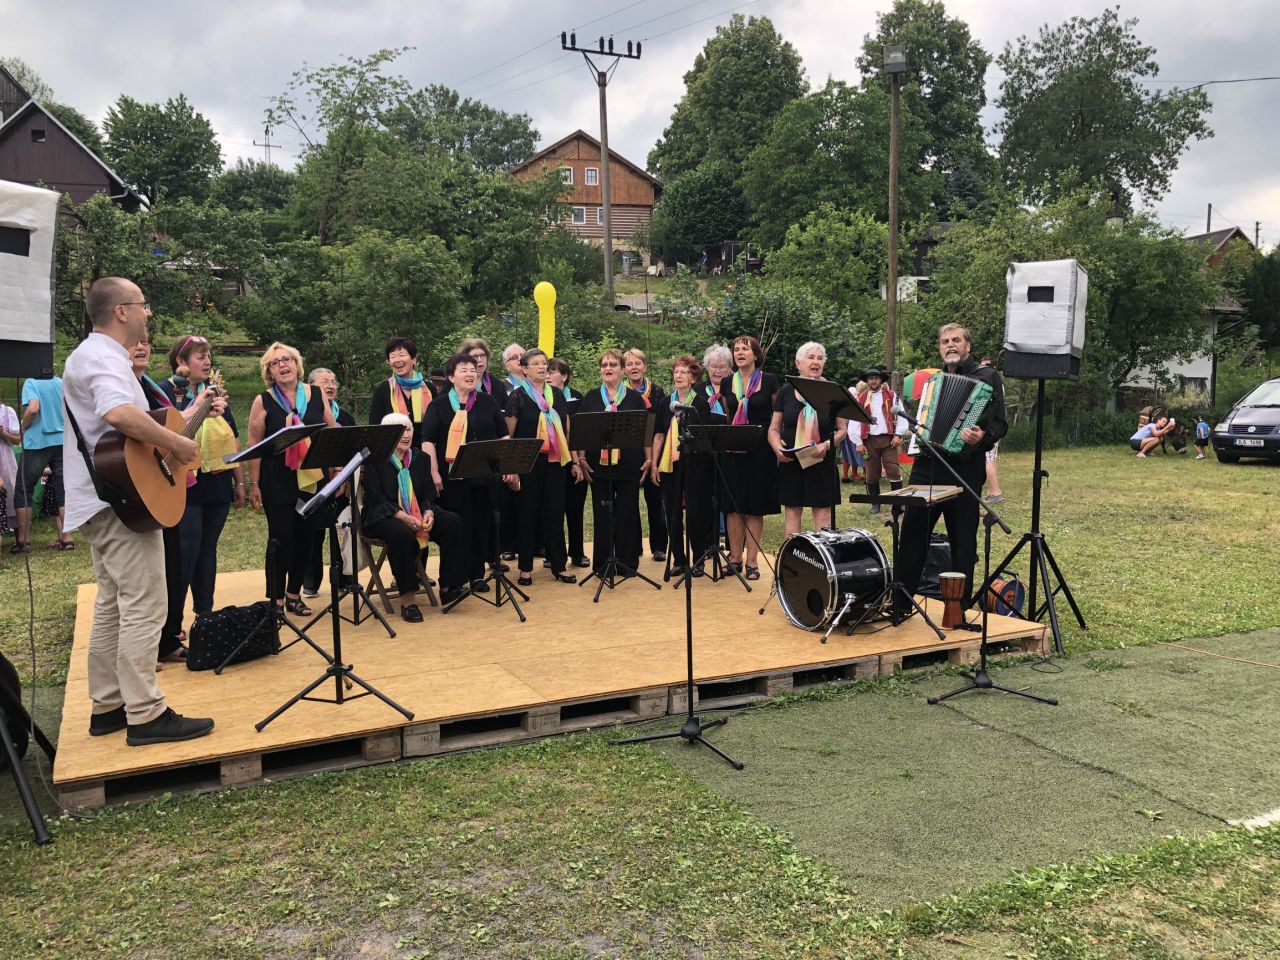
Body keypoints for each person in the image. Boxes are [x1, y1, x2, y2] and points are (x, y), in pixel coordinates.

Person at [61, 277, 213, 745]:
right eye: (142, 305)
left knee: (113, 604)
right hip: (121, 501)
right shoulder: (104, 356)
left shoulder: (92, 355)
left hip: (108, 498)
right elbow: (119, 414)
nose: (148, 313)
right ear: (121, 311)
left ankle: (108, 705)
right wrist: (176, 444)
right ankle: (146, 713)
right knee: (145, 604)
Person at [896, 324, 1008, 607]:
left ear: (968, 345)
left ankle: (958, 609)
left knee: (962, 540)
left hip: (964, 468)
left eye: (956, 340)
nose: (950, 345)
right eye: (945, 341)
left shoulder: (987, 376)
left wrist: (983, 436)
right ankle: (901, 602)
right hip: (928, 465)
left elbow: (1000, 423)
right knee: (912, 534)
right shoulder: (934, 381)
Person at [246, 342, 337, 615]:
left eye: (287, 359)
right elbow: (254, 443)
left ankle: (294, 594)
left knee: (306, 537)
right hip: (277, 479)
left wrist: (336, 471)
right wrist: (253, 484)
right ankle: (276, 599)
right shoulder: (263, 400)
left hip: (313, 477)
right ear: (269, 371)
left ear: (297, 364)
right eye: (275, 363)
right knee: (281, 538)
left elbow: (331, 430)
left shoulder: (316, 393)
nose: (282, 365)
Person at [421, 352, 511, 592]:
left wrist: (508, 466)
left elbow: (503, 435)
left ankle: (476, 575)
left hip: (483, 477)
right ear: (451, 377)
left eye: (472, 370)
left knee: (481, 526)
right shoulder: (439, 405)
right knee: (458, 527)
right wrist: (433, 472)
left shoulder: (487, 402)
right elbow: (428, 440)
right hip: (451, 479)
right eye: (463, 370)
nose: (470, 374)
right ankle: (455, 580)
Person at [362, 413, 467, 617]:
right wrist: (403, 516)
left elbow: (428, 493)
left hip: (417, 512)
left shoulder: (421, 458)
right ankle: (408, 599)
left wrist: (428, 512)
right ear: (387, 434)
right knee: (401, 533)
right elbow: (375, 498)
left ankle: (449, 588)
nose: (406, 434)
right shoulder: (375, 460)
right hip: (382, 515)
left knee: (452, 522)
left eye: (408, 429)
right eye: (399, 430)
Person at [573, 349, 648, 576]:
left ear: (622, 370)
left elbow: (645, 433)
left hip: (629, 465)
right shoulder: (591, 397)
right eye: (604, 365)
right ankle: (603, 563)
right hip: (599, 467)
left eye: (613, 364)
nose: (608, 368)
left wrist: (649, 459)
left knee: (627, 513)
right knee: (602, 514)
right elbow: (581, 433)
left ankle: (627, 563)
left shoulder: (635, 398)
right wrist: (581, 459)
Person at [505, 348, 576, 586]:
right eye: (535, 363)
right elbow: (509, 435)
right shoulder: (517, 397)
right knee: (527, 514)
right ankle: (525, 568)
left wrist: (574, 460)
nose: (542, 367)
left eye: (544, 363)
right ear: (524, 369)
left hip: (555, 461)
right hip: (527, 463)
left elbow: (567, 429)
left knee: (555, 514)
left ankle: (559, 565)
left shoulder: (557, 394)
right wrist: (511, 467)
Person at [769, 342, 847, 536]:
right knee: (792, 512)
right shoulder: (786, 392)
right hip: (792, 460)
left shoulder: (832, 391)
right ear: (798, 363)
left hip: (821, 461)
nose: (816, 362)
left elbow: (842, 430)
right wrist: (777, 448)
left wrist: (826, 445)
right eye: (811, 357)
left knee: (823, 512)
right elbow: (774, 428)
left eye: (820, 359)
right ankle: (793, 553)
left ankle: (821, 555)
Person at [651, 355, 719, 575]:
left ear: (693, 378)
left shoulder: (700, 403)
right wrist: (654, 464)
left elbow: (704, 436)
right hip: (670, 464)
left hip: (695, 464)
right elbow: (659, 435)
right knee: (672, 512)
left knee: (695, 512)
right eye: (676, 371)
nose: (678, 375)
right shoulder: (665, 403)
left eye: (684, 372)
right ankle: (679, 559)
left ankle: (698, 558)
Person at [723, 335, 780, 580]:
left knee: (755, 507)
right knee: (733, 507)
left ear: (755, 355)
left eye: (745, 349)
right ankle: (735, 558)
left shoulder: (769, 381)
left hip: (761, 451)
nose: (739, 352)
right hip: (734, 451)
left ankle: (753, 562)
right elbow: (728, 414)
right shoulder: (727, 382)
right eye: (736, 349)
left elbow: (777, 416)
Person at [298, 368, 352, 598]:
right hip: (314, 480)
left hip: (341, 482)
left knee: (342, 529)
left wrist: (344, 477)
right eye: (324, 382)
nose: (330, 386)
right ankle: (310, 581)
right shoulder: (304, 414)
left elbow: (351, 449)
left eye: (333, 382)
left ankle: (345, 578)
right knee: (314, 532)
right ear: (311, 387)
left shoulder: (345, 417)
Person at [14, 372, 70, 552]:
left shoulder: (31, 382)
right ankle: (67, 538)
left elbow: (33, 409)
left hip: (37, 442)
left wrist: (23, 427)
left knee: (24, 489)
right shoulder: (61, 382)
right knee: (63, 490)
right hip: (62, 441)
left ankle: (23, 541)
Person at [623, 348, 668, 561]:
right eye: (629, 364)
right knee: (629, 501)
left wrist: (655, 459)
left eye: (638, 363)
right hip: (629, 453)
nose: (634, 367)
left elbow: (661, 427)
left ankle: (659, 546)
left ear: (645, 366)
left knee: (656, 500)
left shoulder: (657, 392)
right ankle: (633, 545)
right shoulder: (619, 392)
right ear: (624, 369)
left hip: (655, 450)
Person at [547, 356, 590, 568]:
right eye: (545, 371)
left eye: (552, 371)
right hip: (552, 461)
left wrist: (580, 460)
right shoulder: (540, 398)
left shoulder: (576, 398)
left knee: (575, 508)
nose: (547, 375)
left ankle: (577, 552)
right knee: (552, 510)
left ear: (564, 376)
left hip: (574, 459)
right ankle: (552, 554)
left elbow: (580, 432)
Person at [855, 366, 907, 515]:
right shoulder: (861, 398)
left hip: (888, 440)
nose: (873, 381)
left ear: (881, 380)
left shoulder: (891, 395)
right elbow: (855, 421)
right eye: (871, 378)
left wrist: (898, 435)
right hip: (869, 440)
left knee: (893, 470)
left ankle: (898, 504)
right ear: (867, 381)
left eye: (876, 378)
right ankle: (875, 503)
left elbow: (901, 416)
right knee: (871, 473)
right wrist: (858, 442)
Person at [368, 336, 435, 449]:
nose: (397, 360)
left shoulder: (429, 389)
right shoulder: (383, 390)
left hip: (424, 453)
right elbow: (375, 428)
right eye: (392, 357)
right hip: (393, 453)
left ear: (414, 359)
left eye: (402, 355)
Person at [978, 358, 1005, 503]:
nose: (983, 369)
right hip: (993, 428)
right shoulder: (995, 383)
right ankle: (992, 490)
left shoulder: (993, 384)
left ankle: (995, 492)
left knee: (988, 459)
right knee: (991, 459)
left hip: (991, 429)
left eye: (987, 366)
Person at [459, 337, 509, 407]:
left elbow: (506, 409)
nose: (480, 359)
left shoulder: (497, 384)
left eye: (483, 355)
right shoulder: (455, 382)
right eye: (475, 356)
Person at [0, 386, 18, 548]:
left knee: (10, 490)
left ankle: (20, 537)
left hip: (4, 456)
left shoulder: (7, 412)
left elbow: (17, 440)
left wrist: (4, 433)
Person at [842, 381, 869, 483]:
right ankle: (866, 476)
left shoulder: (849, 401)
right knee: (862, 452)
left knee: (848, 453)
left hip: (847, 431)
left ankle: (850, 474)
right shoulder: (860, 402)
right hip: (853, 432)